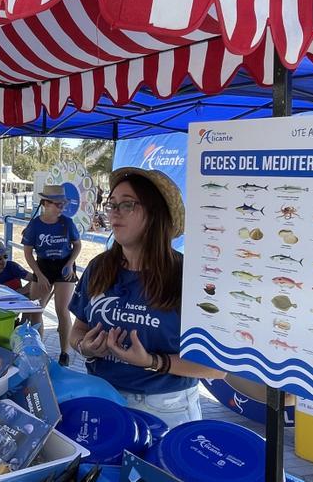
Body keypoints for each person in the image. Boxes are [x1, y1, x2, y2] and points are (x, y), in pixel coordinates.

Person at [68, 167, 226, 428]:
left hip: (166, 410)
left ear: (155, 214)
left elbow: (216, 368)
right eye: (112, 204)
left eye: (127, 204)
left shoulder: (187, 277)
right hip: (101, 398)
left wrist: (154, 362)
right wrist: (84, 346)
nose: (115, 212)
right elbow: (78, 331)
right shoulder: (99, 267)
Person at [22, 185, 81, 367]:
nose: (61, 208)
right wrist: (39, 275)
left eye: (63, 204)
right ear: (45, 203)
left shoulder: (67, 223)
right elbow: (28, 253)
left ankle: (65, 353)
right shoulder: (35, 225)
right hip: (43, 266)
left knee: (62, 311)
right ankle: (40, 351)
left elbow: (77, 245)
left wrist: (70, 264)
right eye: (57, 204)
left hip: (64, 266)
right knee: (35, 310)